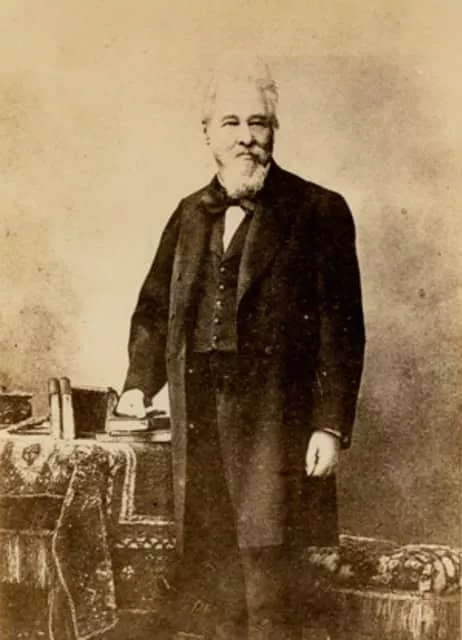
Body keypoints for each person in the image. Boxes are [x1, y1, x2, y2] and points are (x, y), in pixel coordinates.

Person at [116, 53, 365, 640]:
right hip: (199, 415)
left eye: (258, 122)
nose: (246, 137)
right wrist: (137, 385)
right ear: (207, 133)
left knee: (271, 574)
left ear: (274, 131)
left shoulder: (319, 210)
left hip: (277, 421)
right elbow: (153, 309)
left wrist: (328, 426)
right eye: (231, 122)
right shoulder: (188, 214)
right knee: (212, 563)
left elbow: (342, 329)